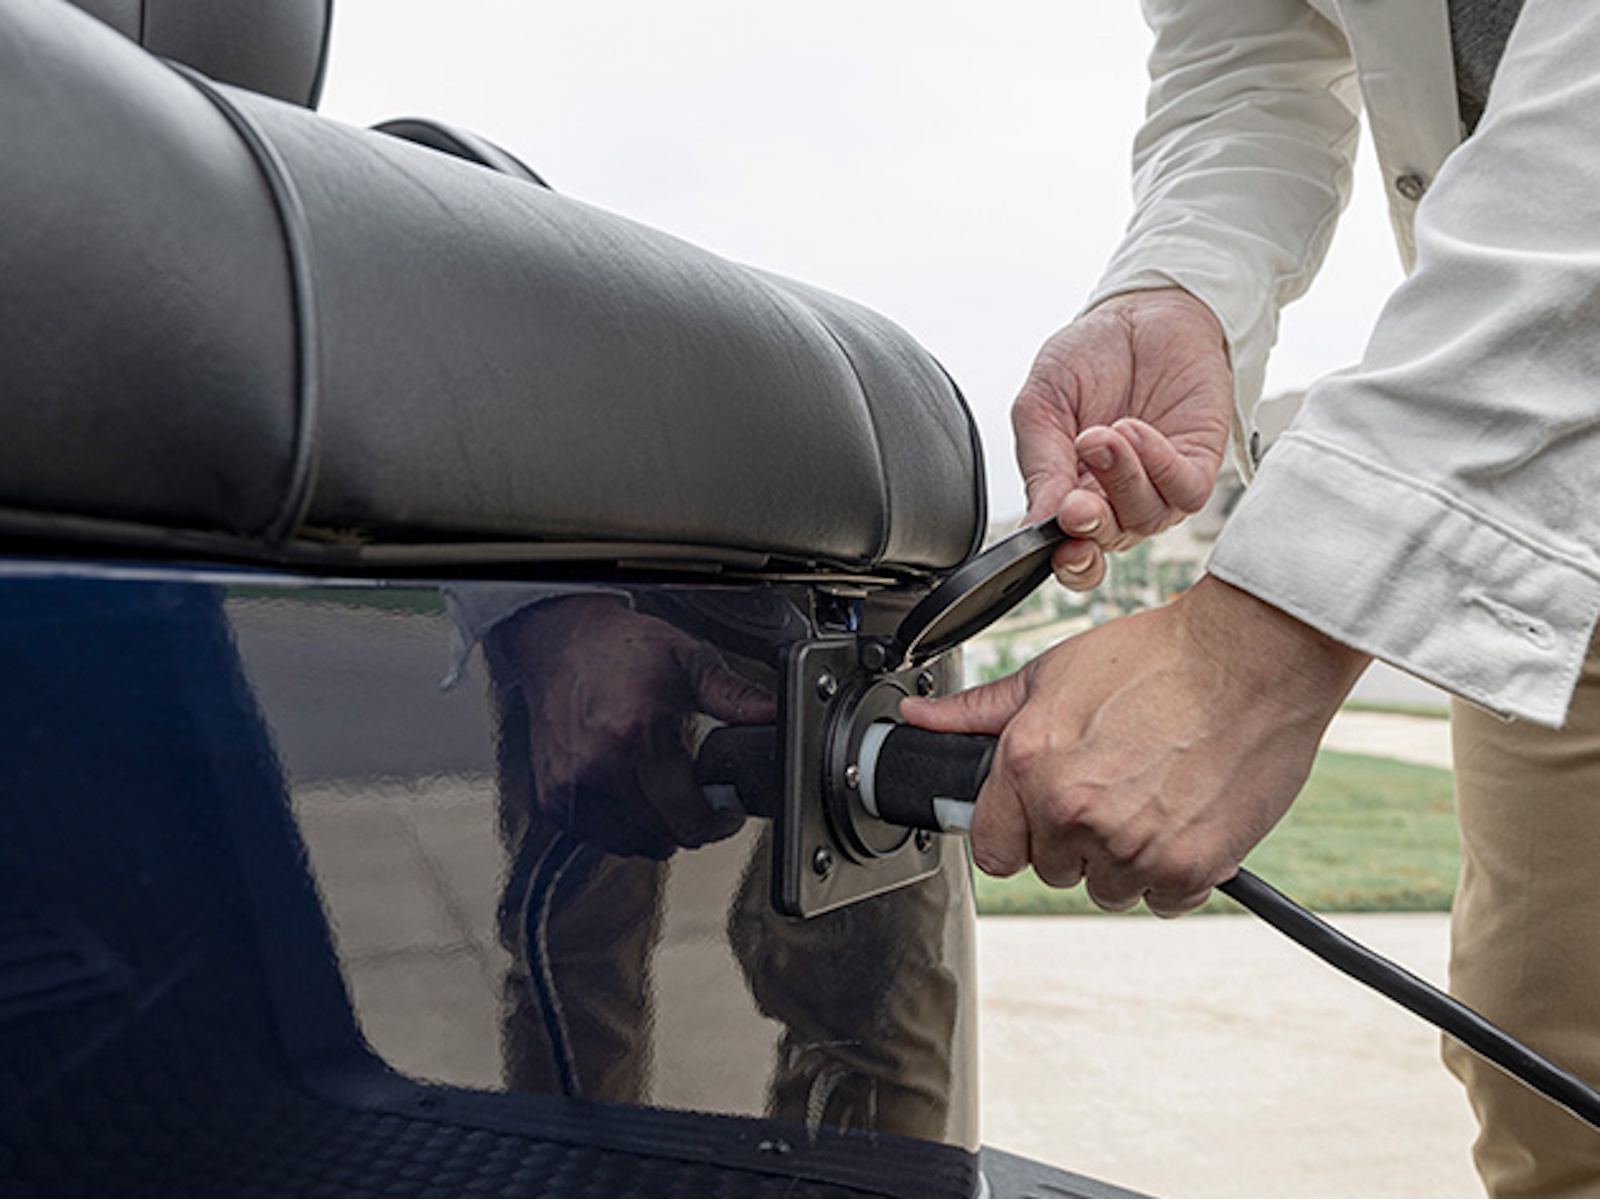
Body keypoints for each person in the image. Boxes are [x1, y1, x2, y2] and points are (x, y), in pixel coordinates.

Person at [902, 1, 1600, 1193]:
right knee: (1552, 1084)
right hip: (1554, 514)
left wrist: (1258, 643)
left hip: (1511, 433)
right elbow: (1247, 55)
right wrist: (1180, 286)